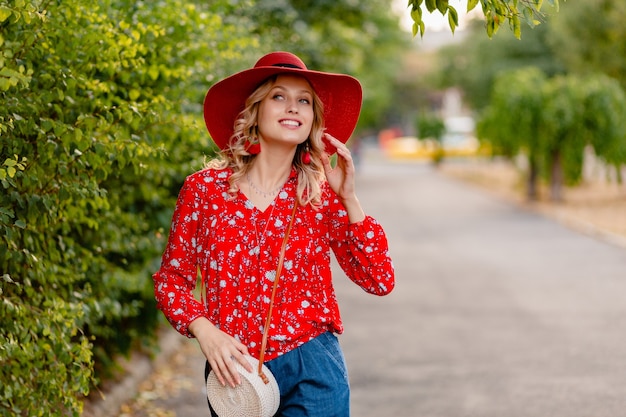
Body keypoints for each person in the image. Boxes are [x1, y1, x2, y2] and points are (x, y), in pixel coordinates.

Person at [152, 51, 395, 417]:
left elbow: (379, 278)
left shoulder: (320, 194)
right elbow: (172, 281)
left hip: (312, 366)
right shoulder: (204, 191)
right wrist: (205, 331)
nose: (292, 108)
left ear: (313, 120)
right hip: (235, 373)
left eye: (304, 101)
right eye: (278, 96)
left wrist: (349, 199)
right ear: (254, 111)